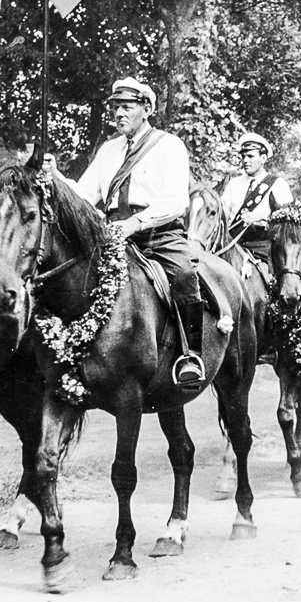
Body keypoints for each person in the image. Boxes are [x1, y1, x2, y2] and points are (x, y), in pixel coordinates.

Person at [50, 76, 206, 389]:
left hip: (157, 234)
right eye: (115, 107)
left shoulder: (168, 145)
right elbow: (84, 195)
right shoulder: (108, 150)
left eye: (127, 107)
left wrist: (134, 224)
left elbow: (175, 201)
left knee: (185, 275)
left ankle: (190, 356)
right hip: (107, 233)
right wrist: (55, 175)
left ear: (146, 109)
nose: (119, 113)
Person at [218, 132, 295, 264]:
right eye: (243, 156)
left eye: (250, 156)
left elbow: (287, 226)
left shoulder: (277, 184)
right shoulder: (234, 184)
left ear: (263, 158)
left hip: (264, 248)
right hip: (233, 245)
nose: (245, 160)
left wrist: (258, 219)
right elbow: (223, 215)